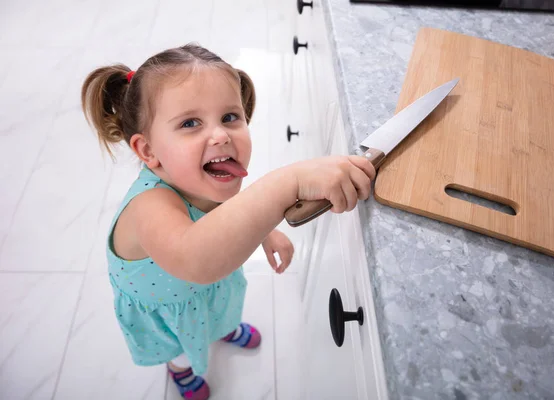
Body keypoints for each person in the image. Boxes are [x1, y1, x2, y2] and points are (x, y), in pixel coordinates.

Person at [81, 43, 375, 400]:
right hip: (166, 307)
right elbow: (197, 259)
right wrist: (289, 181)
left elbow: (233, 210)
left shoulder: (205, 179)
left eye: (230, 117)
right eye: (190, 123)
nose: (221, 135)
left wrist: (267, 232)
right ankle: (180, 370)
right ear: (148, 151)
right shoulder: (149, 206)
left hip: (208, 290)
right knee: (177, 346)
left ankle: (219, 328)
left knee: (218, 312)